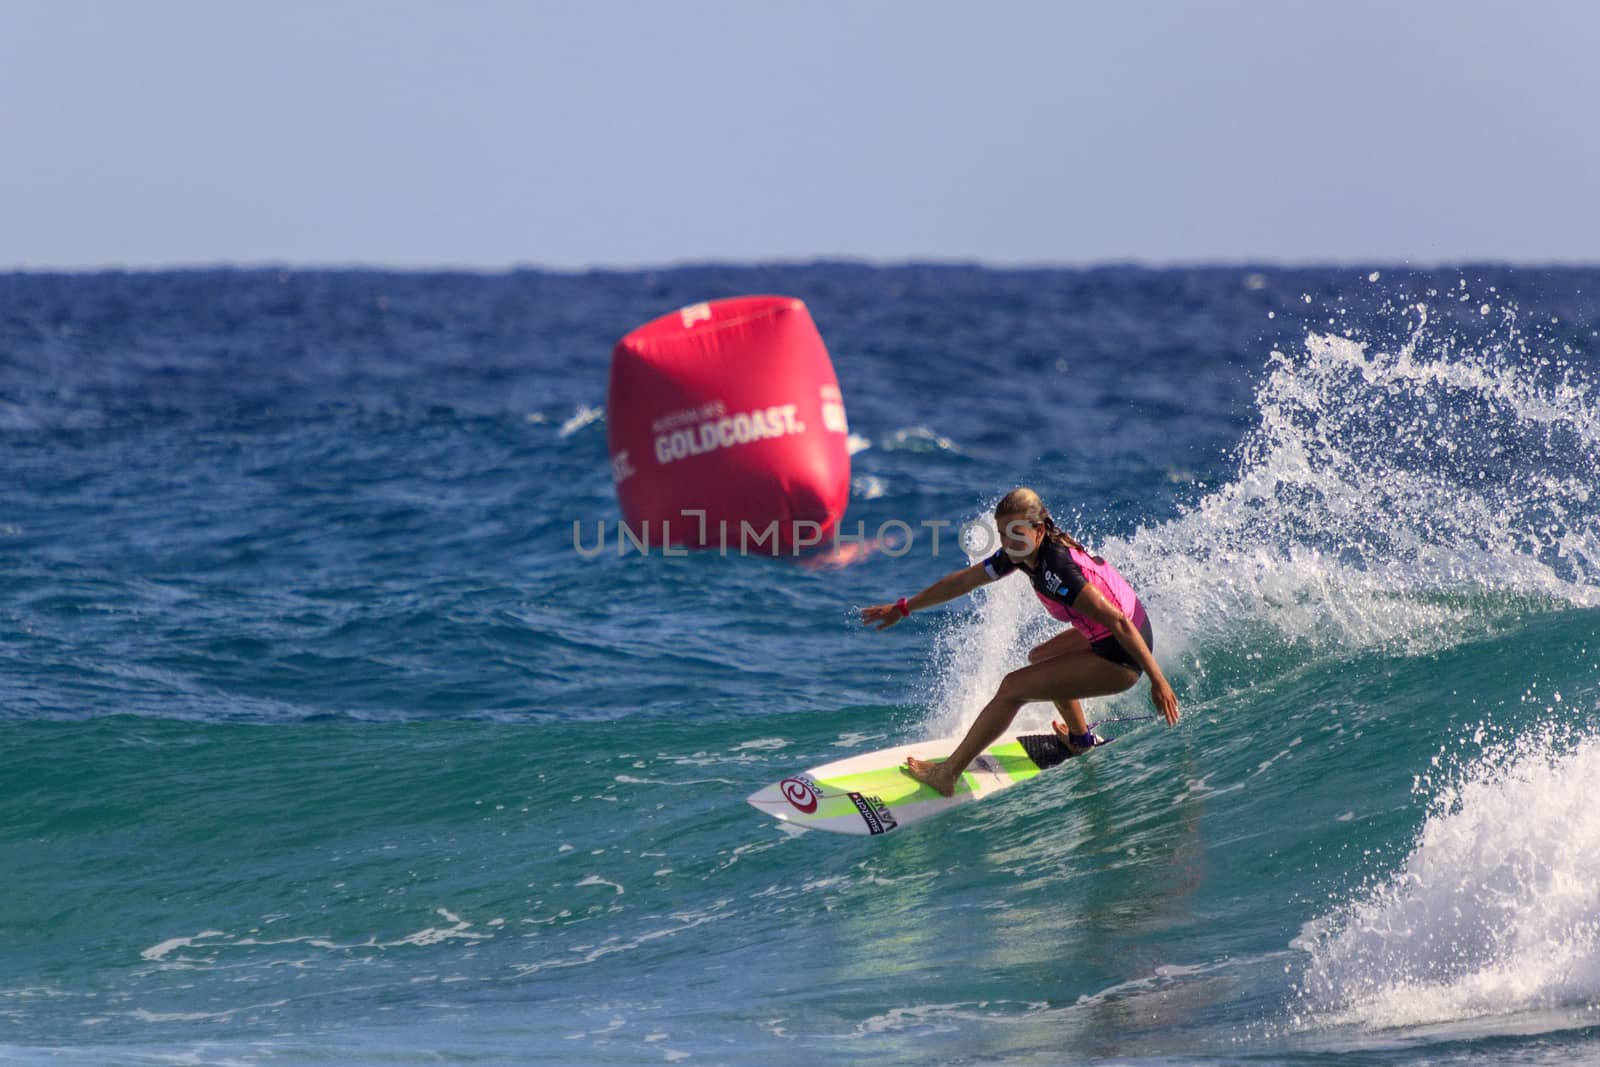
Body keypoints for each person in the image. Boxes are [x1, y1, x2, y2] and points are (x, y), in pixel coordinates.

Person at [859, 487, 1179, 797]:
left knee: (1012, 689)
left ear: (1039, 530)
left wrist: (1158, 681)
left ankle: (947, 775)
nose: (1007, 543)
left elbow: (1119, 621)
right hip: (1105, 634)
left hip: (1123, 652)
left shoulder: (1058, 571)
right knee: (1040, 658)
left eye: (1015, 533)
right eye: (1001, 534)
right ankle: (1080, 740)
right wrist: (904, 607)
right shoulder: (1021, 554)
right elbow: (966, 580)